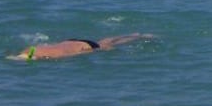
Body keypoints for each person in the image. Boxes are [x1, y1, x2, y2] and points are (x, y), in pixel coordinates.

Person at [9, 33, 153, 61]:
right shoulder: (30, 50)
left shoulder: (53, 57)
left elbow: (76, 54)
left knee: (107, 44)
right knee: (107, 41)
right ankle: (135, 35)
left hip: (84, 46)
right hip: (71, 40)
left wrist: (95, 51)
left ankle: (136, 36)